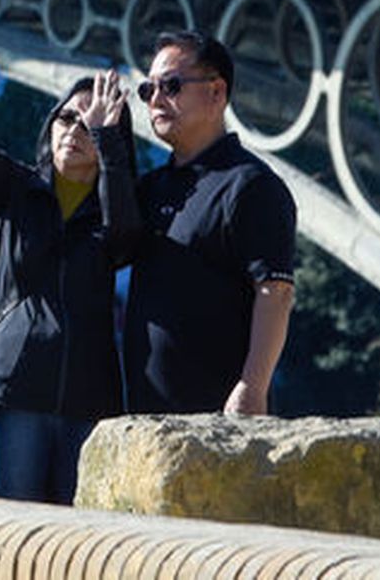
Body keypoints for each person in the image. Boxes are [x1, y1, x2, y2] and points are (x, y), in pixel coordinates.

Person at [0, 43, 138, 505]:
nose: (75, 131)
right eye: (67, 118)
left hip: (88, 394)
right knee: (11, 529)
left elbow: (125, 240)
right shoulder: (13, 188)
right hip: (12, 387)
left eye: (90, 125)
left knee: (78, 538)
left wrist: (110, 143)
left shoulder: (114, 211)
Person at [126, 31, 295, 416]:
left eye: (171, 85)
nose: (156, 99)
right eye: (147, 89)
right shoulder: (151, 188)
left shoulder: (251, 184)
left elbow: (275, 292)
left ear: (216, 93)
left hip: (217, 419)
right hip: (143, 418)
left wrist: (251, 388)